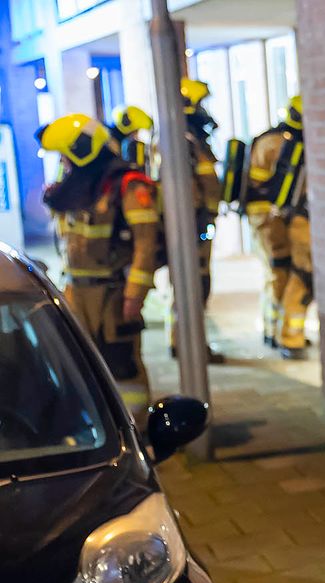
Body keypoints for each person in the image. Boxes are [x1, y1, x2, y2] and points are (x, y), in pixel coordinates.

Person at [37, 114, 161, 425]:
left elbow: (146, 246)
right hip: (75, 291)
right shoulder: (77, 187)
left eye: (65, 156)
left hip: (113, 293)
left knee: (122, 363)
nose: (63, 163)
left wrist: (135, 295)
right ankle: (98, 427)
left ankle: (138, 429)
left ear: (81, 151)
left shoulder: (128, 186)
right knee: (79, 363)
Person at [244, 96, 311, 359]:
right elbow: (260, 187)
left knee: (278, 273)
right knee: (286, 273)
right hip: (271, 220)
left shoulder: (272, 139)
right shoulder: (281, 143)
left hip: (274, 219)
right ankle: (285, 336)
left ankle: (274, 331)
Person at [178, 78, 225, 362]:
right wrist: (205, 218)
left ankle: (184, 341)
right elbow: (203, 184)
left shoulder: (186, 139)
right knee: (196, 283)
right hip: (195, 224)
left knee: (195, 281)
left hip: (198, 221)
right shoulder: (185, 141)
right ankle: (191, 345)